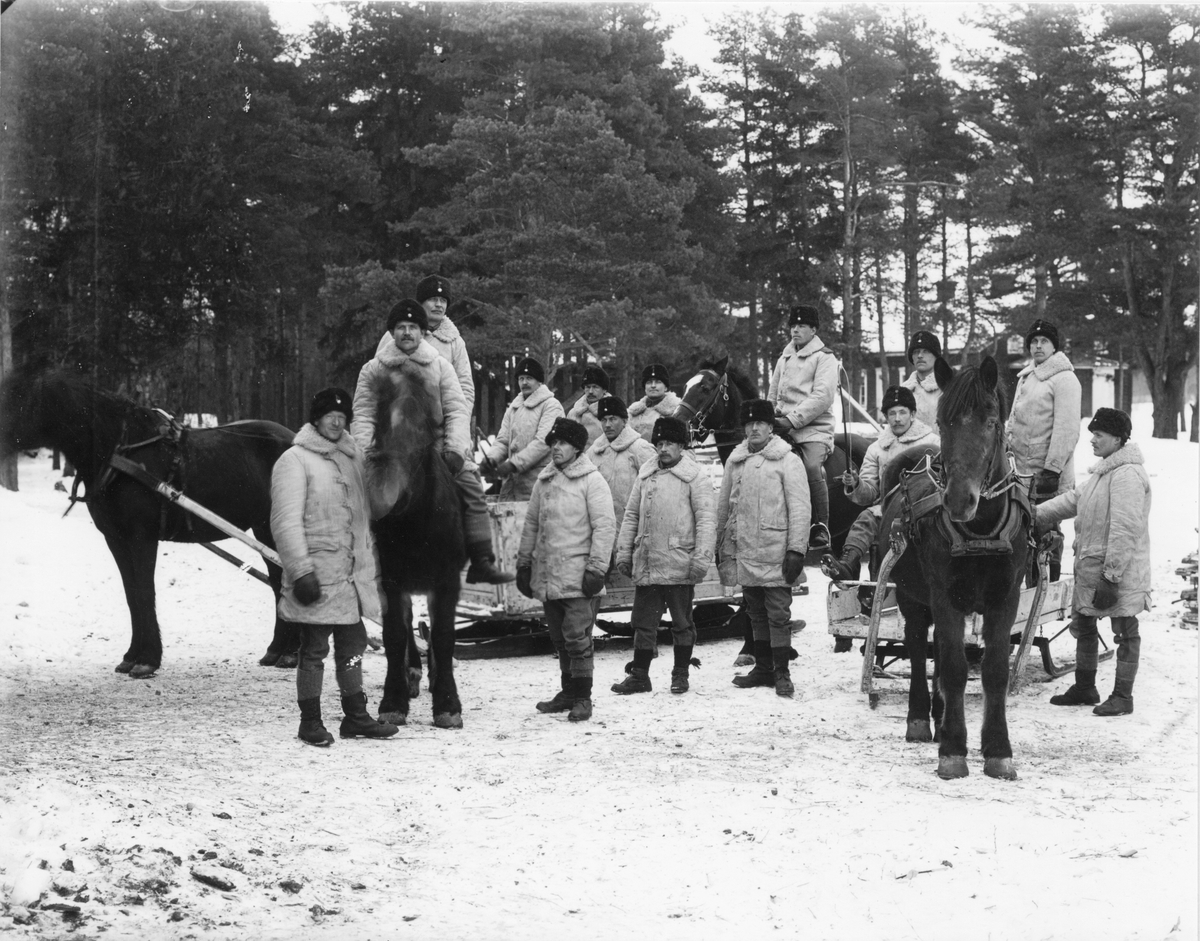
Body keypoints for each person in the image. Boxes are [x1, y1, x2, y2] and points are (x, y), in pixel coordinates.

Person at [271, 388, 398, 746]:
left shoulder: (353, 458)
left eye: (343, 417)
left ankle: (355, 716)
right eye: (330, 416)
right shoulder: (294, 460)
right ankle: (310, 721)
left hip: (351, 578)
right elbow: (285, 522)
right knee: (313, 651)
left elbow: (373, 509)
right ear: (316, 418)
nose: (337, 422)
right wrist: (300, 571)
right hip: (317, 576)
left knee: (353, 646)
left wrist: (389, 474)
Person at [353, 300, 513, 584]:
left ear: (422, 331)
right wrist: (365, 452)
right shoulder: (373, 369)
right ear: (391, 332)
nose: (407, 333)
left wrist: (454, 449)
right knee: (361, 494)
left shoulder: (440, 366)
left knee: (471, 487)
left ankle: (481, 560)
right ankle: (365, 561)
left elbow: (456, 410)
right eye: (401, 327)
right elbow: (364, 414)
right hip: (389, 452)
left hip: (435, 449)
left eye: (413, 327)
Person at [1036, 408, 1151, 717]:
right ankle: (1085, 687)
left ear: (1118, 439)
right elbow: (1072, 500)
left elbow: (1124, 529)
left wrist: (1111, 577)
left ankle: (1122, 697)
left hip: (1118, 571)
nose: (1092, 440)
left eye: (1099, 435)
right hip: (1092, 568)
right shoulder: (1104, 473)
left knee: (1125, 629)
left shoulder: (1126, 475)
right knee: (1084, 625)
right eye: (1093, 435)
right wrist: (1032, 514)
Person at [516, 418, 617, 722]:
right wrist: (524, 564)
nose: (555, 448)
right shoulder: (544, 481)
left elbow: (605, 527)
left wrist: (596, 569)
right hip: (550, 578)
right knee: (560, 639)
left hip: (579, 578)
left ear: (576, 448)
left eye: (561, 443)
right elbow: (531, 525)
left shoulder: (592, 480)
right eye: (553, 443)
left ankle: (583, 698)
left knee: (577, 638)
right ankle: (568, 692)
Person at [613, 416, 716, 695]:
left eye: (669, 443)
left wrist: (701, 559)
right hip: (647, 563)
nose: (663, 448)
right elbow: (631, 516)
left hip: (679, 564)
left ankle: (680, 674)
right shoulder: (645, 475)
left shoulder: (695, 477)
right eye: (659, 443)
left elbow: (707, 520)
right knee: (643, 623)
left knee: (682, 623)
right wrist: (625, 553)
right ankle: (639, 676)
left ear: (682, 446)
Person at [716, 399, 810, 697]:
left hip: (776, 551)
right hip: (745, 550)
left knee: (778, 614)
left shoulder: (787, 460)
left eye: (760, 423)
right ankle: (763, 668)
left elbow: (800, 507)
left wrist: (796, 549)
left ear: (771, 428)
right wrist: (721, 546)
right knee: (755, 611)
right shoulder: (735, 461)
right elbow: (723, 506)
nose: (754, 428)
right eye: (749, 424)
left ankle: (782, 672)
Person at [822, 386, 939, 582]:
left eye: (902, 412)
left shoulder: (933, 442)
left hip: (924, 509)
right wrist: (856, 484)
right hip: (888, 510)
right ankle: (847, 565)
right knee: (866, 517)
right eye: (892, 413)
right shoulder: (876, 448)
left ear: (913, 414)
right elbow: (869, 492)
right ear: (885, 416)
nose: (897, 418)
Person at [1007, 318, 1081, 581]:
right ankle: (1025, 587)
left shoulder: (1064, 379)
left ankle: (1046, 586)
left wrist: (1053, 469)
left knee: (1046, 530)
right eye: (1034, 341)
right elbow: (1014, 420)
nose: (1038, 346)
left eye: (1044, 341)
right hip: (1021, 471)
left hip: (1047, 472)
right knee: (1021, 530)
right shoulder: (1026, 377)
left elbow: (1067, 428)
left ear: (1054, 346)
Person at [767, 304, 839, 550]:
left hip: (813, 429)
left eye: (802, 326)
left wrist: (792, 420)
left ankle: (821, 526)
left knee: (810, 467)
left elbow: (822, 397)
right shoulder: (784, 358)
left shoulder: (825, 358)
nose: (795, 330)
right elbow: (773, 395)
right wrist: (769, 418)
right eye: (793, 326)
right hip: (781, 427)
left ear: (814, 330)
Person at [375, 275, 475, 416]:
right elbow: (376, 377)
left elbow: (465, 386)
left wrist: (460, 421)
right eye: (433, 299)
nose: (439, 305)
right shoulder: (396, 334)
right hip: (398, 418)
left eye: (443, 300)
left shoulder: (455, 342)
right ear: (421, 303)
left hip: (440, 420)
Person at [482, 357, 565, 501]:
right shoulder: (514, 408)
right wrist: (492, 459)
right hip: (514, 485)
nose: (524, 382)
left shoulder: (551, 406)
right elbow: (503, 441)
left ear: (539, 381)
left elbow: (543, 442)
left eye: (529, 378)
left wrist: (513, 464)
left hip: (541, 482)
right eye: (521, 378)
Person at [587, 395, 656, 525]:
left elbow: (655, 487)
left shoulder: (640, 448)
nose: (608, 425)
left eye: (613, 419)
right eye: (604, 420)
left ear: (624, 421)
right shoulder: (593, 451)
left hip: (632, 523)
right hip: (600, 523)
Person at [628, 364, 682, 442]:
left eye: (658, 382)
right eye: (649, 382)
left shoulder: (676, 410)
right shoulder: (633, 412)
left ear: (666, 387)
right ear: (645, 387)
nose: (653, 386)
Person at [901, 330, 942, 429]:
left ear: (936, 356)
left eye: (926, 351)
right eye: (916, 352)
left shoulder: (945, 387)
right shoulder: (903, 390)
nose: (920, 355)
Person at [567, 364, 611, 448]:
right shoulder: (573, 413)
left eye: (595, 387)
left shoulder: (614, 413)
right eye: (587, 387)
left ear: (604, 389)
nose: (590, 391)